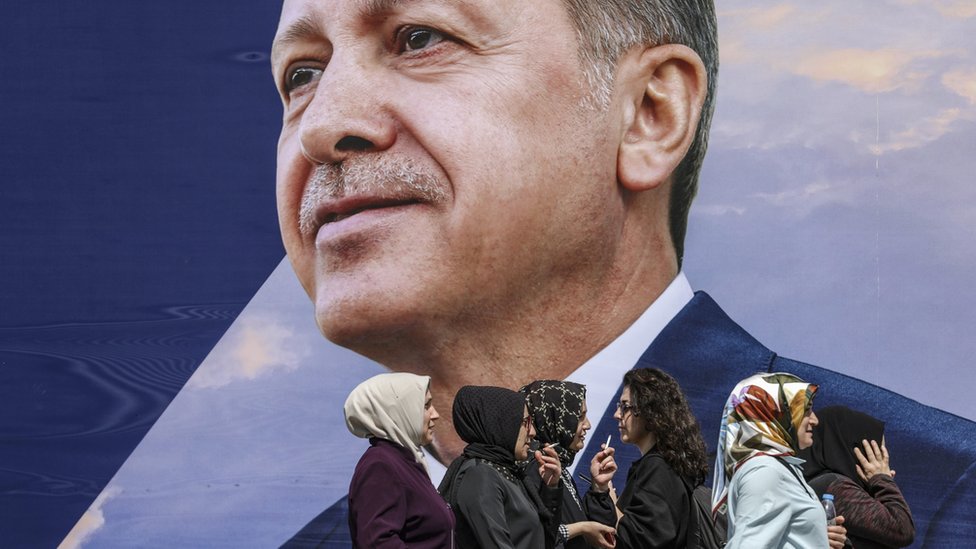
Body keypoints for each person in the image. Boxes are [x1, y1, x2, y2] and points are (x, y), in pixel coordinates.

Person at [271, 0, 976, 545]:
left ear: (649, 114)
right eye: (302, 74)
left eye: (418, 37)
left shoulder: (952, 496)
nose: (319, 125)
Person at [712, 372, 847, 549]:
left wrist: (816, 538)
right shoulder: (766, 471)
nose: (815, 420)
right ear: (774, 414)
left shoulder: (779, 468)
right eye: (806, 410)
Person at [437, 385, 563, 549]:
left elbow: (545, 540)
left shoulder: (507, 471)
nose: (532, 432)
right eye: (525, 422)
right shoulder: (480, 476)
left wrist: (551, 488)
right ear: (500, 423)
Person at [343, 372, 454, 548]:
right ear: (400, 411)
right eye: (426, 406)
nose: (435, 415)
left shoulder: (405, 463)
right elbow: (377, 542)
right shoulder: (380, 466)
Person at [607, 368, 706, 548]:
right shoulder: (666, 463)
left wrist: (607, 500)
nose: (617, 415)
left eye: (625, 406)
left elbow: (643, 539)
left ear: (649, 410)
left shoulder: (659, 467)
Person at [799, 406, 915, 549]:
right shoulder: (836, 488)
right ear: (857, 451)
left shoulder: (815, 483)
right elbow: (902, 530)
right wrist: (882, 480)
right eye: (878, 455)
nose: (885, 466)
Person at [520, 380, 617, 549]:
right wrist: (583, 529)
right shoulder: (536, 466)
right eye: (579, 417)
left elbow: (599, 534)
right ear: (555, 418)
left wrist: (599, 488)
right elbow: (536, 535)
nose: (588, 425)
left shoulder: (554, 463)